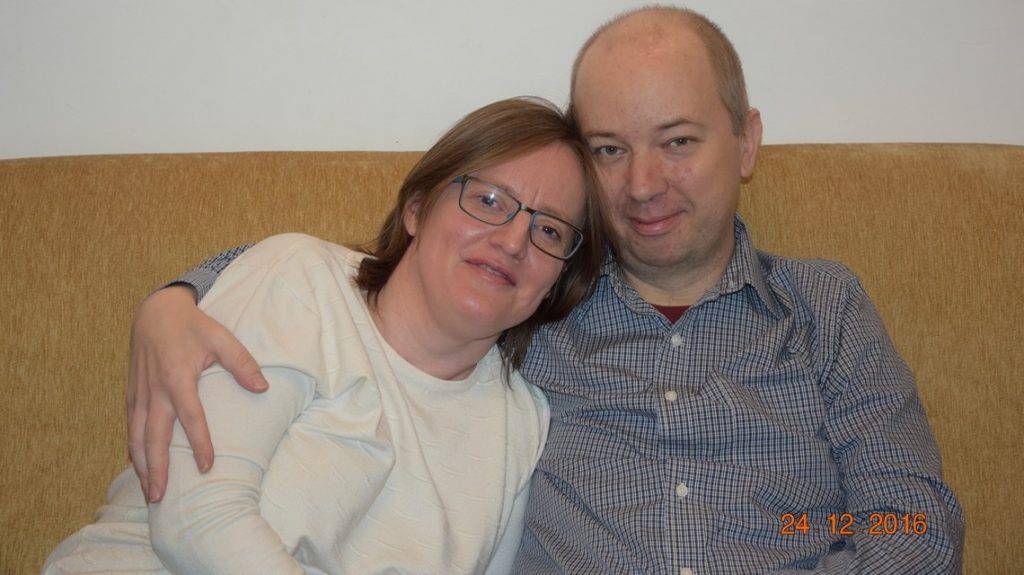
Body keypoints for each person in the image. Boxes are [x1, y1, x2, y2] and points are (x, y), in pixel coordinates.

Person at [123, 6, 965, 574]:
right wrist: (176, 297)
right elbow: (359, 282)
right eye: (609, 150)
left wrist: (802, 537)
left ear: (746, 143)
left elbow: (914, 522)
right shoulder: (536, 305)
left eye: (677, 141)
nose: (643, 184)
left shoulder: (824, 307)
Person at [43, 96, 605, 574]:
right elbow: (198, 519)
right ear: (416, 208)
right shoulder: (303, 281)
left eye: (549, 230)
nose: (513, 241)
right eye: (488, 200)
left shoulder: (521, 422)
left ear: (558, 279)